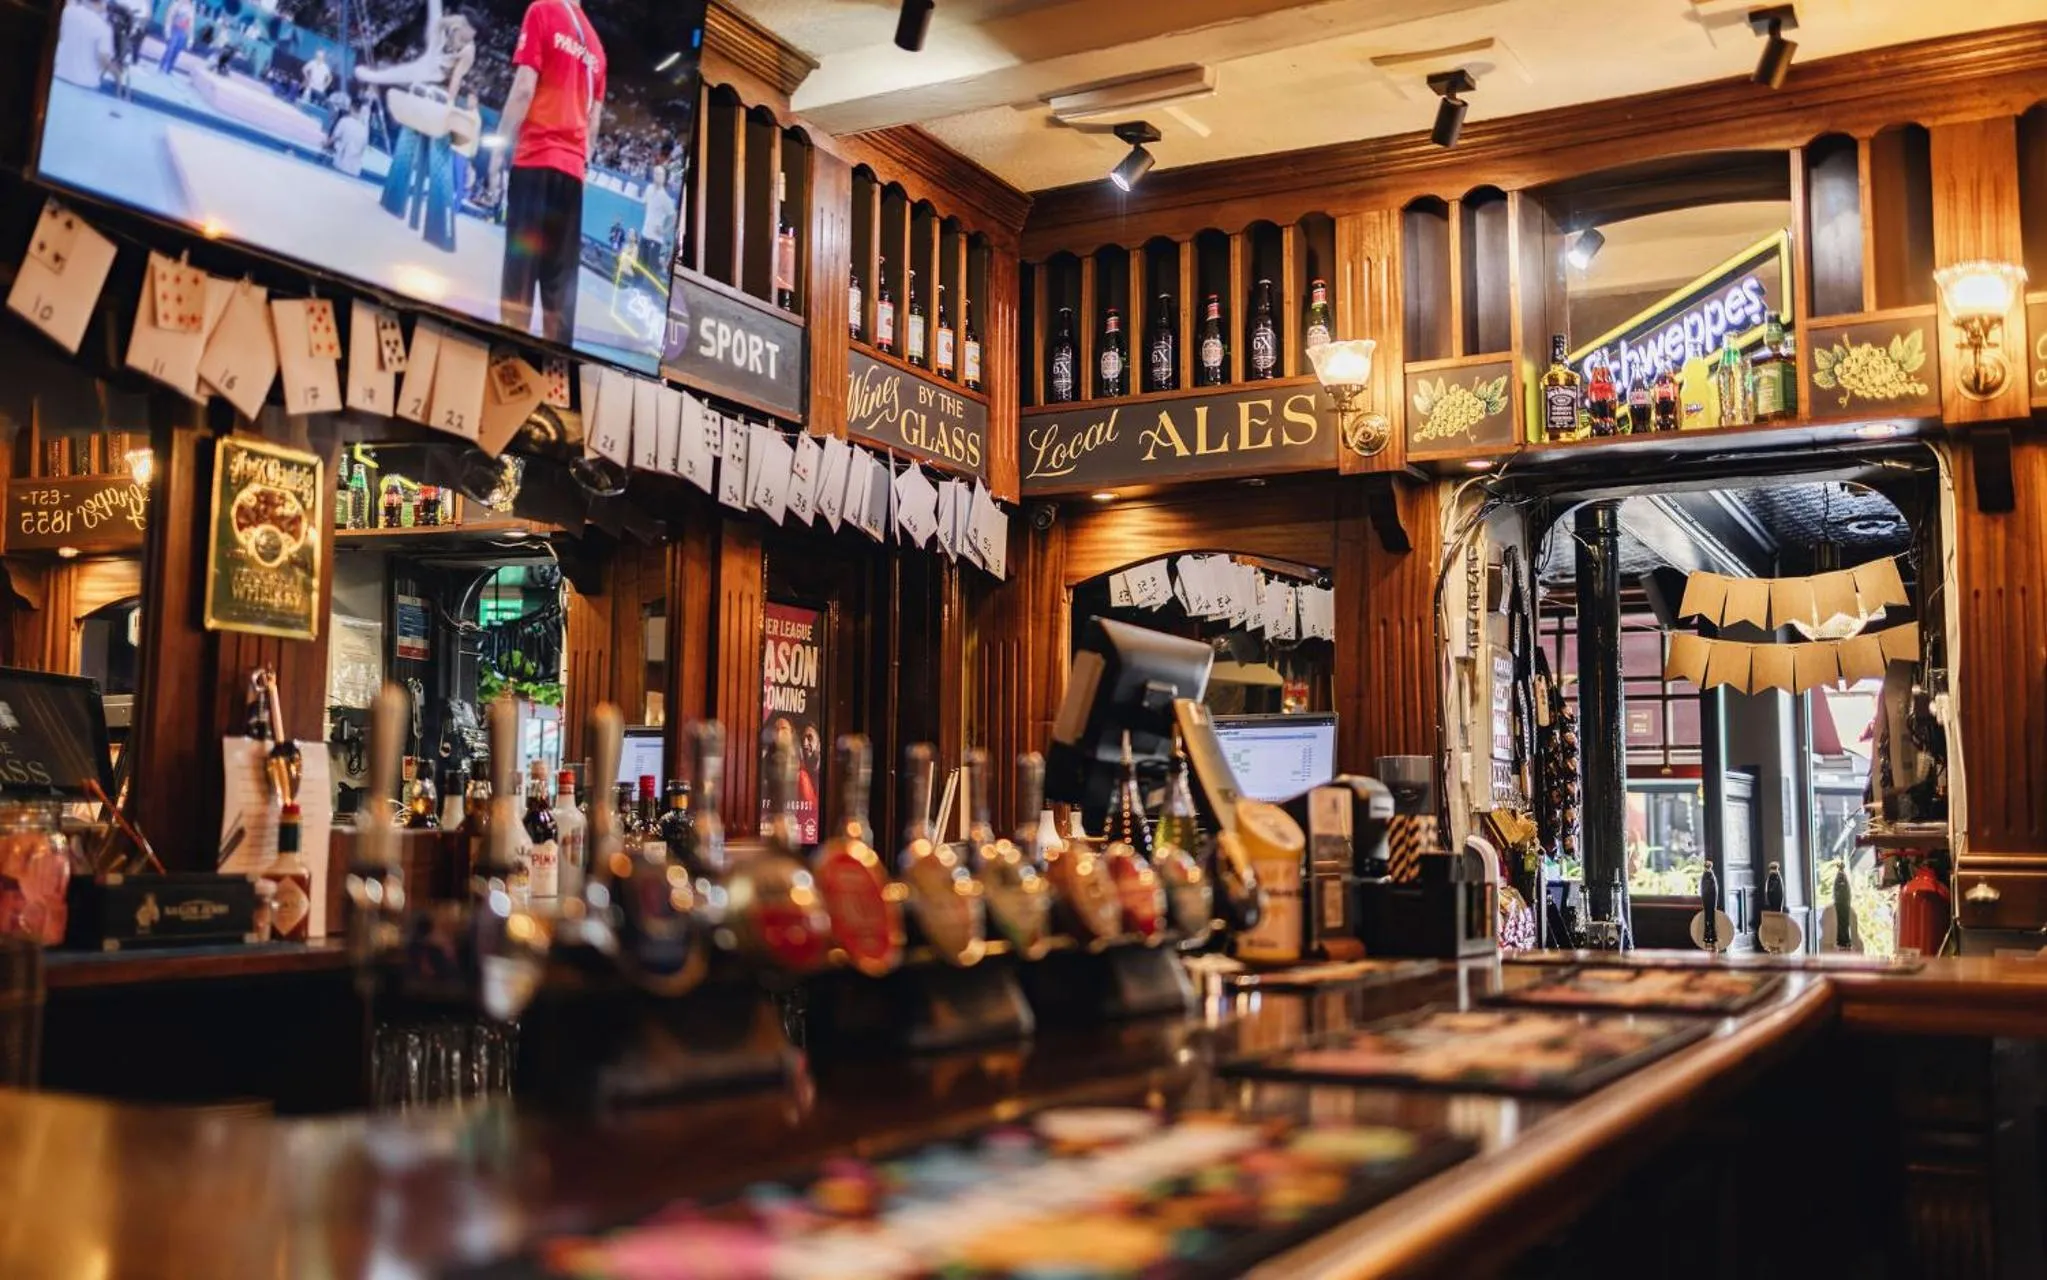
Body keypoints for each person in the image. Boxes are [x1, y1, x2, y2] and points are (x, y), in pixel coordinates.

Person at [497, 0, 606, 345]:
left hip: (536, 162)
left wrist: (500, 145)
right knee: (560, 280)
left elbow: (525, 88)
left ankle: (509, 355)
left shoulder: (542, 10)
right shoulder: (598, 49)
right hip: (572, 171)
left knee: (521, 272)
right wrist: (581, 165)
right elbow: (594, 123)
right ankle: (556, 363)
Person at [52, 0, 116, 90]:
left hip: (59, 75)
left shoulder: (67, 12)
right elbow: (103, 59)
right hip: (85, 84)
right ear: (102, 4)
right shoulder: (103, 28)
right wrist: (117, 74)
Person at [329, 97, 370, 176]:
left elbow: (333, 138)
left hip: (341, 165)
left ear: (350, 107)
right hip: (355, 170)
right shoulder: (364, 129)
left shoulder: (344, 121)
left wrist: (324, 144)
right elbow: (364, 147)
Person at [157, 0, 194, 75]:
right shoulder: (176, 4)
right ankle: (162, 66)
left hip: (183, 32)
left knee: (176, 51)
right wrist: (167, 31)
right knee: (170, 49)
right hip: (175, 29)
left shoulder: (191, 8)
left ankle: (169, 69)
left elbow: (191, 24)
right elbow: (169, 18)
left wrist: (190, 38)